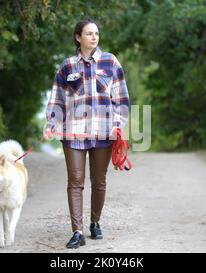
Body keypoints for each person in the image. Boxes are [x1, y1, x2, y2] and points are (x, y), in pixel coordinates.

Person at [43, 19, 130, 249]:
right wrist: (52, 123)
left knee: (99, 181)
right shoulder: (67, 66)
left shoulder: (110, 62)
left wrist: (118, 125)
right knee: (75, 182)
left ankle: (95, 222)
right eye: (89, 33)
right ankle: (77, 231)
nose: (94, 37)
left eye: (97, 33)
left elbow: (121, 99)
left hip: (103, 132)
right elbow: (57, 100)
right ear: (78, 37)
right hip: (73, 133)